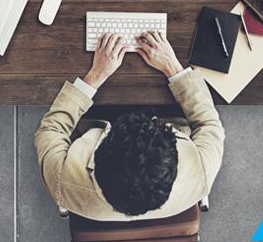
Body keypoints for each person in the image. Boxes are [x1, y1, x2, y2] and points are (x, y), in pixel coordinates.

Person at [35, 31, 224, 221]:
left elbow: (51, 129)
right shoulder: (203, 172)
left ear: (98, 155)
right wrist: (173, 67)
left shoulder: (61, 181)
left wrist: (97, 74)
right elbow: (208, 122)